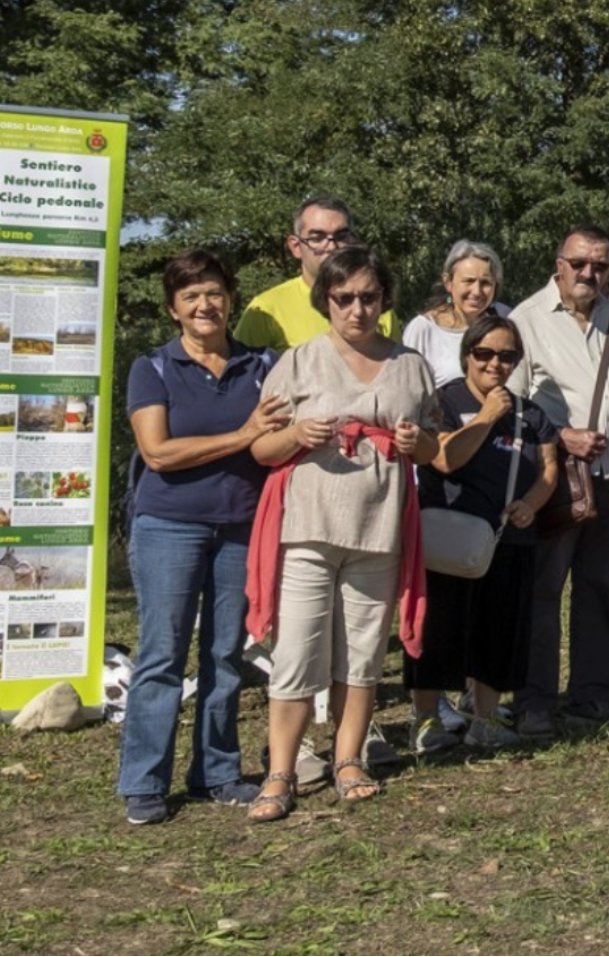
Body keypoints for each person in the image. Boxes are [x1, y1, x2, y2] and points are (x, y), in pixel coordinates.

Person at [243, 247, 441, 820]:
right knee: (297, 651)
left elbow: (434, 446)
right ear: (325, 300)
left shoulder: (411, 365)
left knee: (362, 653)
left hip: (379, 527)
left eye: (368, 297)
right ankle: (281, 771)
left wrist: (417, 445)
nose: (357, 309)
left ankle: (348, 759)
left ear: (385, 300)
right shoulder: (298, 362)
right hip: (308, 525)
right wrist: (297, 435)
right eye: (344, 297)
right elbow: (260, 448)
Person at [118, 249, 288, 825]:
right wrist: (244, 434)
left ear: (231, 299)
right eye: (190, 296)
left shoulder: (263, 365)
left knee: (225, 655)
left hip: (242, 526)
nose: (204, 305)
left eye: (214, 292)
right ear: (173, 309)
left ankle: (216, 773)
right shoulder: (153, 368)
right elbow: (158, 453)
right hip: (168, 525)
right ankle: (145, 782)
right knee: (162, 654)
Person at [508, 228, 609, 736]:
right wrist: (560, 436)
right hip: (553, 478)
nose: (588, 273)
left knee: (601, 588)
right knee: (543, 589)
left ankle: (593, 695)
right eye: (579, 263)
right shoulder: (526, 320)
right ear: (559, 263)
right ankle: (534, 701)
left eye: (599, 265)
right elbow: (510, 405)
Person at [406, 317, 558, 755]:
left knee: (498, 630)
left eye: (507, 356)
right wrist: (489, 415)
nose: (495, 364)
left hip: (506, 537)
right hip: (448, 536)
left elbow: (549, 468)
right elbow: (444, 459)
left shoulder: (530, 413)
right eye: (484, 353)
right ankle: (427, 719)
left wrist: (531, 503)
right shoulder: (443, 402)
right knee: (438, 628)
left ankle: (484, 720)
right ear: (467, 355)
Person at [234, 197, 397, 348]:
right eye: (317, 238)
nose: (332, 247)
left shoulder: (374, 303)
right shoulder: (266, 310)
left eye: (341, 236)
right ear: (296, 247)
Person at [402, 240, 507, 385]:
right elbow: (407, 388)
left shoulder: (504, 318)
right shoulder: (424, 330)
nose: (477, 292)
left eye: (486, 283)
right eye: (469, 281)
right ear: (448, 282)